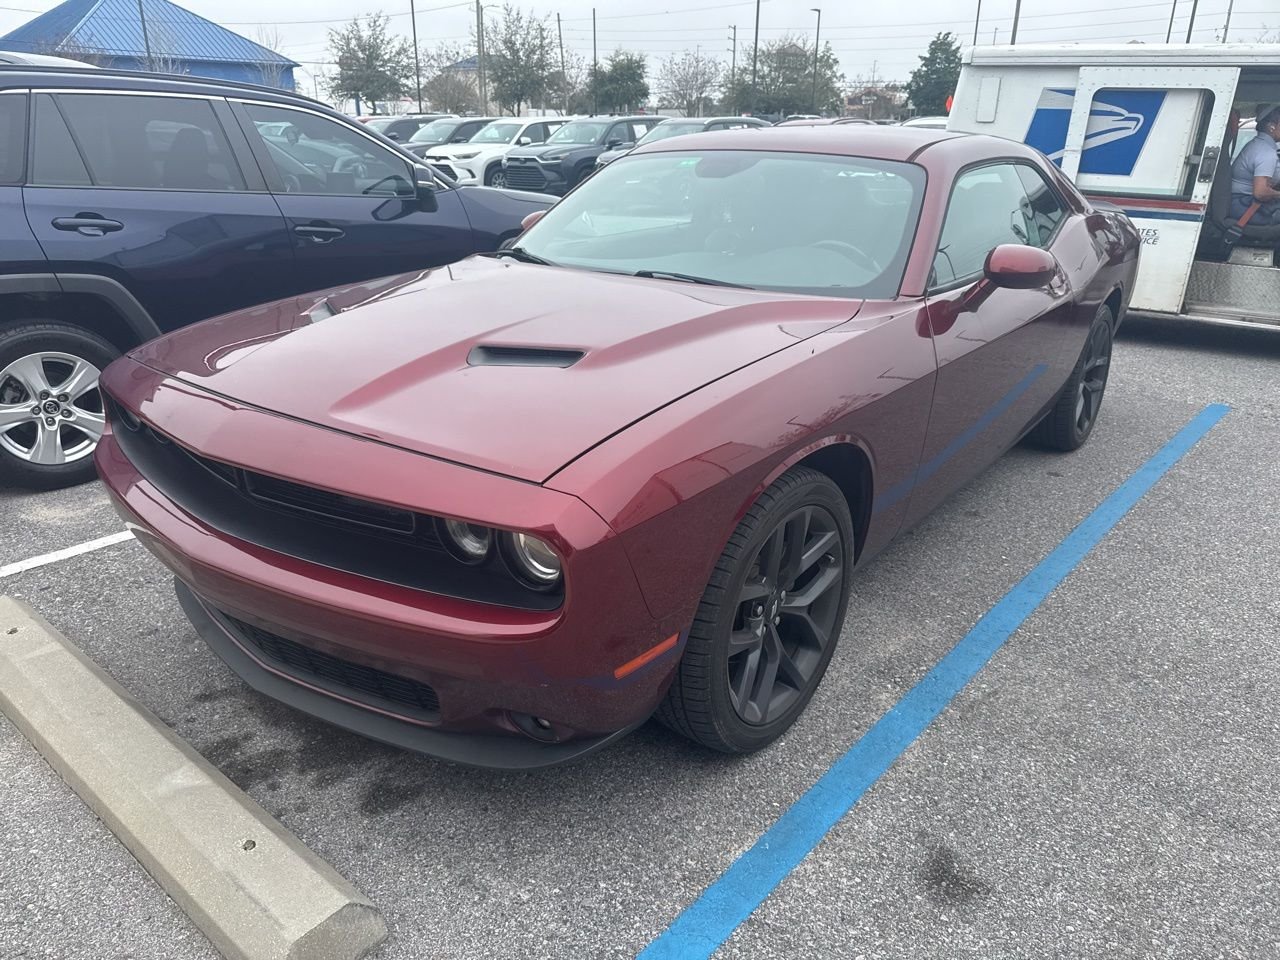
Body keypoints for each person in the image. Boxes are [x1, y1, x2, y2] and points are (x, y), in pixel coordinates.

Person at [1229, 105, 1280, 225]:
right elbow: (1260, 193)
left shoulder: (1256, 144)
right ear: (1271, 126)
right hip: (1245, 205)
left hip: (1238, 202)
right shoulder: (1266, 152)